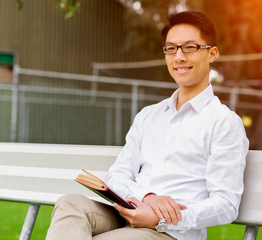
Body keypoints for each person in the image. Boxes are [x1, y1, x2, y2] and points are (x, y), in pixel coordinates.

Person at [46, 11, 249, 240]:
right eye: (171, 48)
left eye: (189, 48)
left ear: (212, 54)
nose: (179, 57)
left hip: (171, 232)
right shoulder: (148, 116)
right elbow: (117, 175)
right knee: (70, 203)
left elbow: (225, 205)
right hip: (127, 212)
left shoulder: (223, 123)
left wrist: (159, 219)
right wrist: (148, 198)